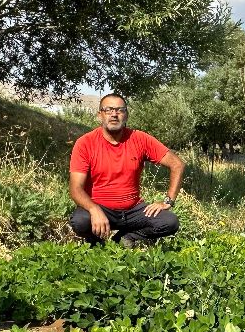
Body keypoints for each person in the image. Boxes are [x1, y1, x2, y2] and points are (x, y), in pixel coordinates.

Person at [68, 93, 185, 248]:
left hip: (133, 210)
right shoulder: (85, 143)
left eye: (120, 110)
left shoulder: (140, 139)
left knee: (169, 222)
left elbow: (177, 164)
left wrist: (168, 201)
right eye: (108, 110)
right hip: (100, 208)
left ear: (126, 115)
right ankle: (96, 242)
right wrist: (94, 209)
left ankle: (126, 238)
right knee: (80, 221)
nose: (114, 114)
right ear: (100, 115)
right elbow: (75, 189)